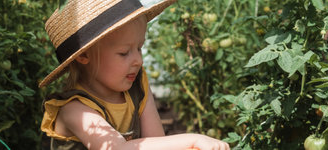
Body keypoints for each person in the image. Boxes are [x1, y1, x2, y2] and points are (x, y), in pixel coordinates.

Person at [39, 0, 230, 149]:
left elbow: (157, 142)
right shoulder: (74, 110)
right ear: (83, 56)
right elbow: (116, 148)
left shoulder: (136, 84)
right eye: (124, 53)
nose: (138, 60)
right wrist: (193, 138)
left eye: (139, 48)